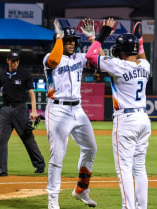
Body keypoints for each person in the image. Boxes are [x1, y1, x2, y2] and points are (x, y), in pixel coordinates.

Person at [86, 19, 151, 209]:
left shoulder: (119, 66)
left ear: (121, 50)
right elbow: (141, 55)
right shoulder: (144, 66)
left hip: (126, 121)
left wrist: (102, 34)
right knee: (139, 168)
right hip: (143, 119)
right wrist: (139, 40)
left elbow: (91, 56)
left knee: (123, 169)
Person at [44, 18, 103, 209]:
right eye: (68, 40)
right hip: (57, 108)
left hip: (77, 109)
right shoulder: (49, 58)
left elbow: (101, 60)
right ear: (59, 40)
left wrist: (93, 38)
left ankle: (81, 189)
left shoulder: (79, 58)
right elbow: (53, 60)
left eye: (73, 41)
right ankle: (53, 201)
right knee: (57, 156)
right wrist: (60, 37)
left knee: (91, 148)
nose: (71, 43)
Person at [0, 52, 45, 177]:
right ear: (7, 61)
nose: (15, 63)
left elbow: (31, 93)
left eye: (17, 60)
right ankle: (0, 170)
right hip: (6, 110)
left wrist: (34, 111)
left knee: (27, 138)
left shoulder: (24, 74)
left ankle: (39, 164)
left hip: (21, 109)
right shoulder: (2, 74)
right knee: (1, 140)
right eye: (13, 60)